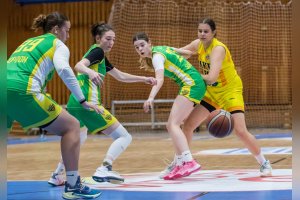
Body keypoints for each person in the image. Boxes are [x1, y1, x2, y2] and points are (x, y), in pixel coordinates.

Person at [48, 23, 157, 186]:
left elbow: (120, 76)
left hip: (75, 103)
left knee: (78, 139)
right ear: (98, 38)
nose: (111, 42)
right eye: (108, 39)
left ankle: (57, 174)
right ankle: (105, 168)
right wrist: (91, 72)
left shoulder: (100, 57)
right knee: (124, 136)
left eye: (113, 39)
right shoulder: (97, 51)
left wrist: (144, 79)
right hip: (88, 104)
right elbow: (78, 65)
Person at [7, 12, 102, 199]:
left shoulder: (27, 42)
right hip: (22, 89)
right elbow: (64, 69)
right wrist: (82, 99)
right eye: (67, 30)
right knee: (73, 126)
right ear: (56, 30)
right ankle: (73, 185)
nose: (68, 35)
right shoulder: (57, 44)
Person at [177, 17, 272, 177]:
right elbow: (181, 53)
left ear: (214, 32)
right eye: (200, 31)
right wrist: (161, 52)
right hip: (213, 93)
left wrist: (191, 75)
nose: (202, 34)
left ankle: (263, 162)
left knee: (240, 131)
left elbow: (212, 77)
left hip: (230, 91)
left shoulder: (218, 49)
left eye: (206, 31)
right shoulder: (197, 44)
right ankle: (181, 163)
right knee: (188, 125)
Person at [132, 32, 206, 180]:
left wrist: (150, 98)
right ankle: (179, 163)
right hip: (194, 83)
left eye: (142, 45)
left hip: (191, 84)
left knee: (173, 124)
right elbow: (188, 53)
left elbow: (159, 79)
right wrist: (176, 52)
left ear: (149, 43)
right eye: (136, 47)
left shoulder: (157, 57)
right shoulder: (163, 49)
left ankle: (188, 161)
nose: (140, 49)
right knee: (172, 125)